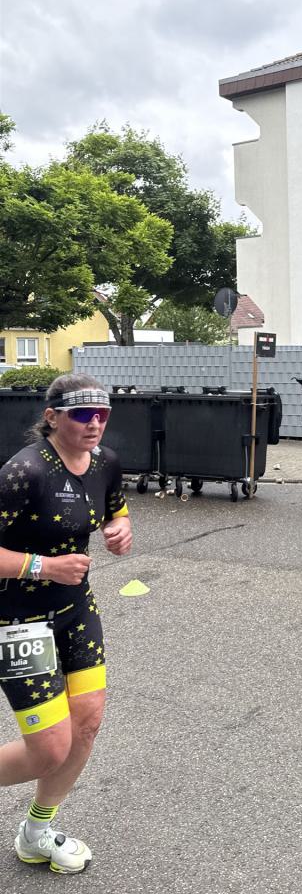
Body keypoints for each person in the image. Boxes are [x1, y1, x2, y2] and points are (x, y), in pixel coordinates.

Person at [0, 374, 132, 873]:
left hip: (76, 611)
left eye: (103, 414)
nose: (95, 424)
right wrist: (43, 566)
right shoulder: (25, 472)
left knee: (87, 724)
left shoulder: (105, 462)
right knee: (48, 751)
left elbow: (117, 512)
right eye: (82, 414)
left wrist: (120, 529)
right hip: (17, 620)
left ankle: (36, 832)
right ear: (52, 417)